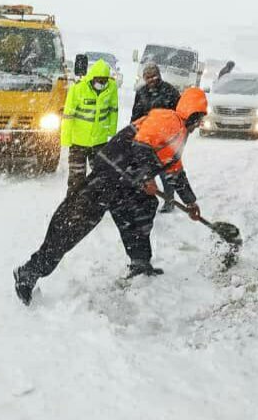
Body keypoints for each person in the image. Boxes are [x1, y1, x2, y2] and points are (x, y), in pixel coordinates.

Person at [13, 88, 209, 305]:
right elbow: (140, 145)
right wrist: (147, 178)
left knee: (141, 211)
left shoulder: (179, 134)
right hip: (110, 174)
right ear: (192, 113)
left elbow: (175, 171)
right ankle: (28, 272)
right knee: (73, 224)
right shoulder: (168, 119)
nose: (199, 124)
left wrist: (190, 201)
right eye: (199, 118)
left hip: (126, 182)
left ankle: (140, 262)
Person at [61, 59, 119, 193]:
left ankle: (95, 204)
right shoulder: (78, 89)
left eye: (104, 81)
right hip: (78, 142)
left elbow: (113, 110)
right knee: (76, 178)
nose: (102, 84)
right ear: (93, 77)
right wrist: (66, 139)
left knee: (100, 176)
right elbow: (68, 115)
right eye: (99, 80)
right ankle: (72, 205)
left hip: (99, 141)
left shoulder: (111, 88)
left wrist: (111, 132)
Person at [131, 62, 182, 212]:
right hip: (146, 138)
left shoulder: (170, 91)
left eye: (154, 76)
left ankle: (169, 200)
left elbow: (178, 114)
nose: (151, 80)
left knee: (167, 171)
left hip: (166, 139)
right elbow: (135, 115)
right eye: (148, 77)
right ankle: (146, 201)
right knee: (145, 170)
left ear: (159, 75)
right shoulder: (141, 93)